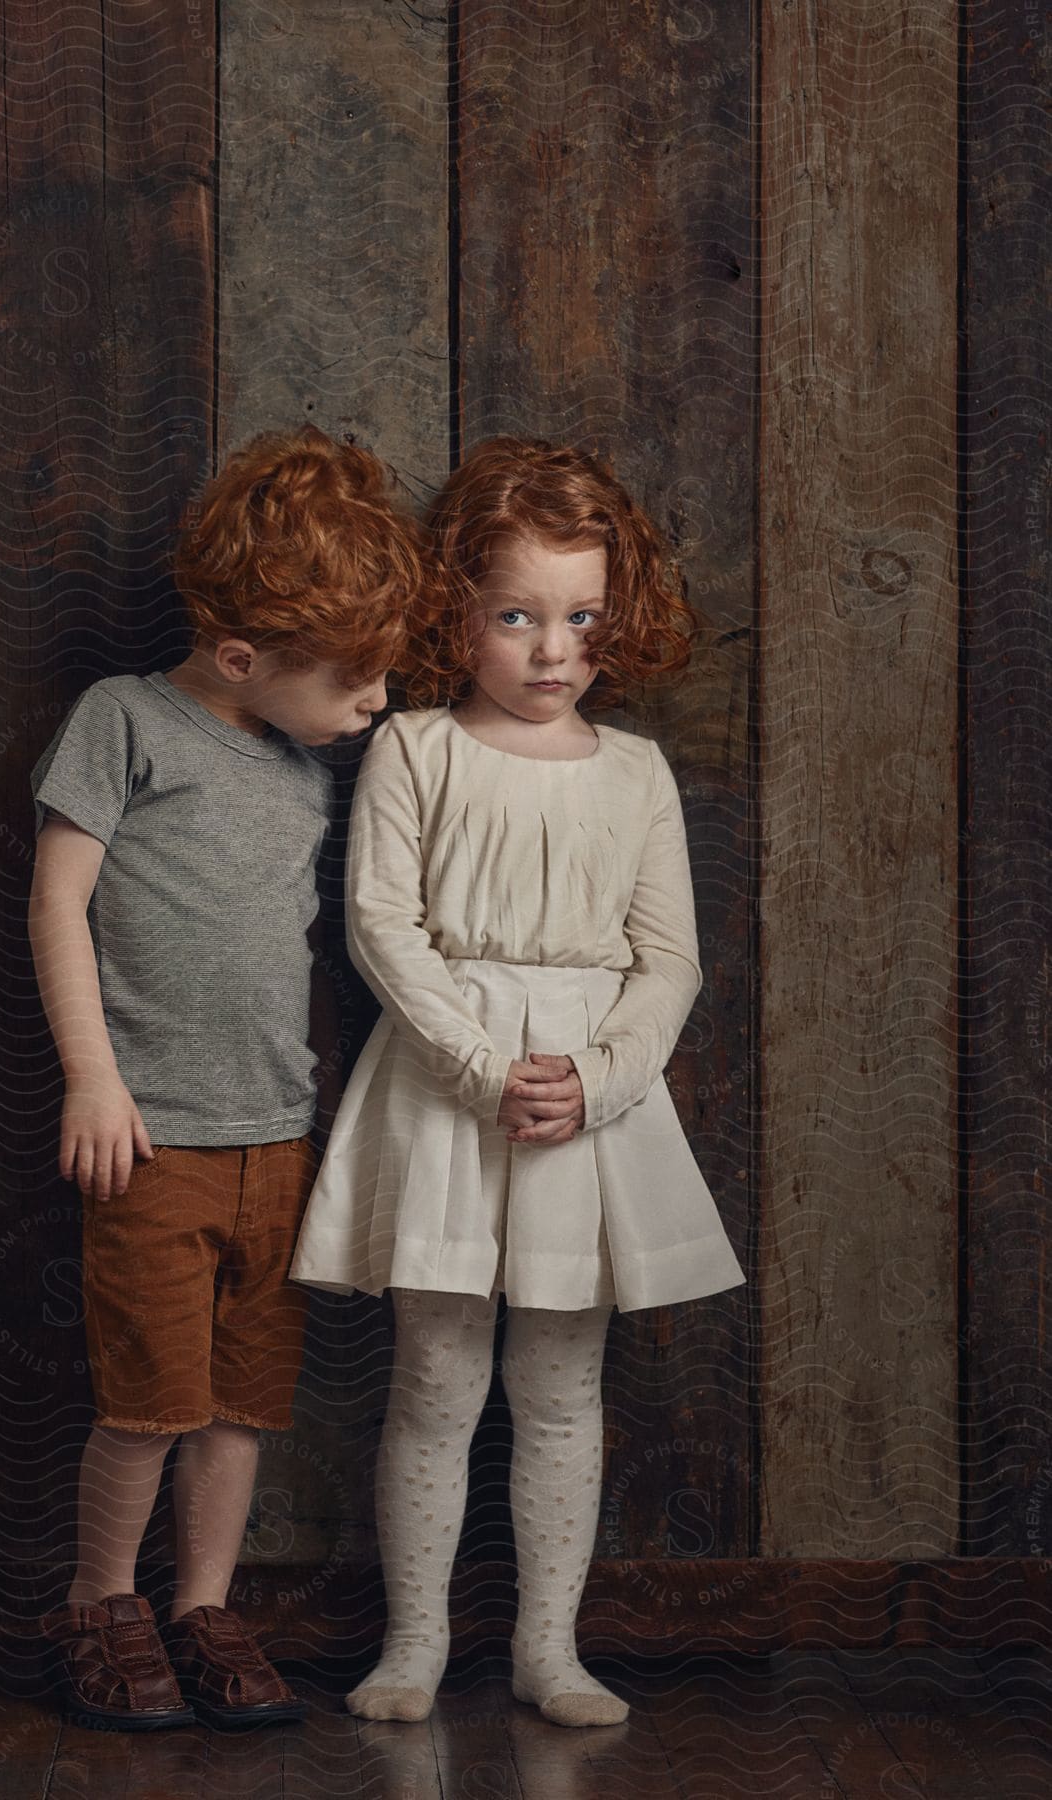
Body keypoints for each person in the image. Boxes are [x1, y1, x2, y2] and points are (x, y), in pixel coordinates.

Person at [289, 434, 747, 1728]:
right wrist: (481, 1063)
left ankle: (550, 1650)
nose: (553, 651)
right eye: (516, 616)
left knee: (560, 1386)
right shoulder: (416, 749)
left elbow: (668, 962)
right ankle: (413, 1645)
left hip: (585, 1108)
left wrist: (596, 1082)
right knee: (433, 1379)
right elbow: (383, 927)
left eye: (581, 618)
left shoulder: (636, 774)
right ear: (456, 611)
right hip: (447, 1087)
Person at [27, 425, 424, 1731]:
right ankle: (100, 1602)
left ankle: (202, 1602)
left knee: (241, 1404)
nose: (377, 702)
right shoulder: (122, 723)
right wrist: (92, 1076)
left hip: (277, 1139)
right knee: (148, 1402)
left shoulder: (303, 768)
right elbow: (57, 902)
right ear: (244, 656)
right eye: (356, 680)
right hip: (152, 1141)